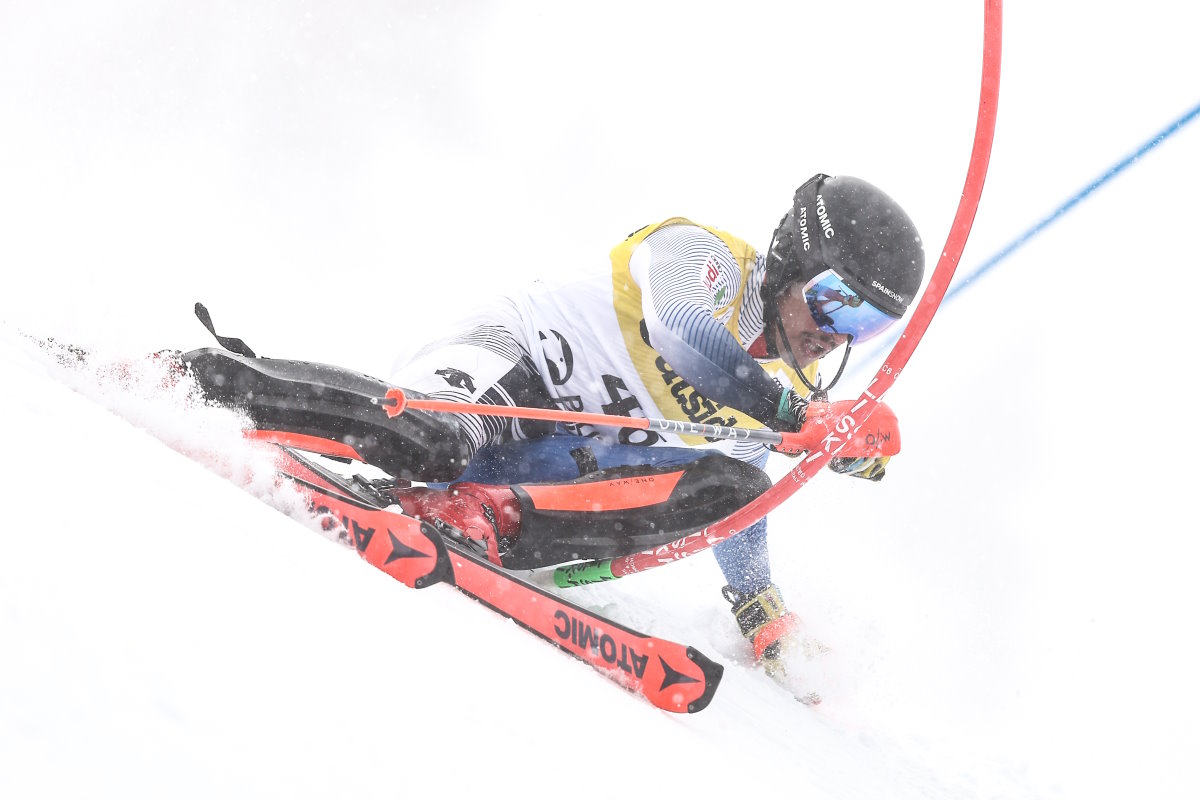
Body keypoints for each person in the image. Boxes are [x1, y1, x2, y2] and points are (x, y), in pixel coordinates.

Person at [183, 173, 925, 680]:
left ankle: (474, 517)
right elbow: (679, 332)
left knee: (735, 480)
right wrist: (796, 418)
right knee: (432, 441)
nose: (838, 333)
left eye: (867, 321)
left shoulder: (775, 391)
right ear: (795, 260)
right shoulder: (707, 260)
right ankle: (197, 378)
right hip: (511, 371)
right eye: (835, 301)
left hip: (551, 467)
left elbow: (740, 504)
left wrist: (763, 609)